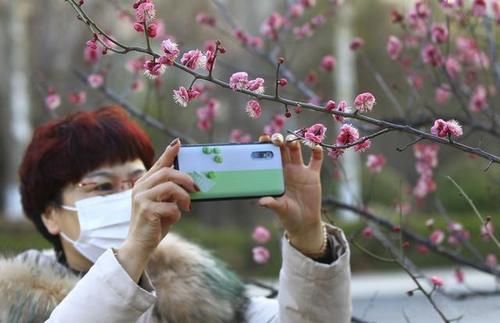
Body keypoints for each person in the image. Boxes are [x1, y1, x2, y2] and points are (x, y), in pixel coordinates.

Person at [0, 106, 351, 323]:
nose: (131, 198)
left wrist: (309, 241)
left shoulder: (203, 295)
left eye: (138, 181)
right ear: (50, 215)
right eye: (103, 187)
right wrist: (133, 250)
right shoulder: (12, 304)